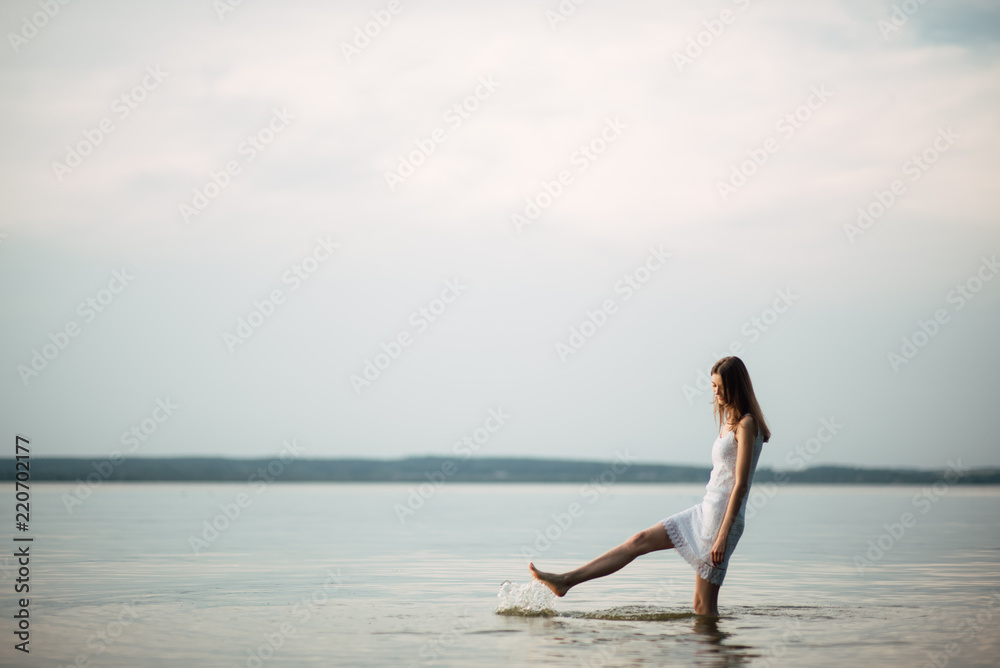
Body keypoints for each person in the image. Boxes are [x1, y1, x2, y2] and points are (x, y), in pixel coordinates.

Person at [529, 356, 770, 616]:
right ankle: (566, 581)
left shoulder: (747, 424)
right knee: (639, 540)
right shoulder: (729, 422)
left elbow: (741, 484)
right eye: (713, 386)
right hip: (706, 509)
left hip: (723, 519)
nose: (716, 392)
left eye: (721, 387)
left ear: (736, 386)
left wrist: (722, 536)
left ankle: (713, 656)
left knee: (702, 606)